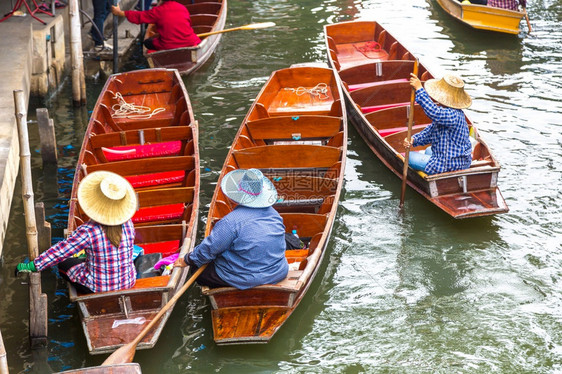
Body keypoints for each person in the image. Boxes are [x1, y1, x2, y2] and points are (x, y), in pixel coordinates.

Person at [15, 171, 138, 294]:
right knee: (83, 259)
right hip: (128, 282)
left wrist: (32, 266)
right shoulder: (128, 223)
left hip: (98, 288)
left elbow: (59, 252)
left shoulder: (89, 231)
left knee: (64, 262)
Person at [174, 169, 289, 290]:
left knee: (197, 268)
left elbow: (209, 249)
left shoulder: (231, 221)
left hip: (245, 279)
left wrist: (187, 260)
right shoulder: (275, 214)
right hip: (278, 272)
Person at [403, 73, 473, 175]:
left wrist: (419, 89)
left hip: (450, 164)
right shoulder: (449, 113)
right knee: (428, 150)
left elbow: (434, 112)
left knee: (408, 157)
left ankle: (435, 170)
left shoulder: (453, 115)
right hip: (459, 160)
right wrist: (413, 140)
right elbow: (430, 133)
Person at [110, 0, 201, 51]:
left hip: (169, 45)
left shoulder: (158, 11)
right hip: (189, 42)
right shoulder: (182, 8)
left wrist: (120, 13)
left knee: (147, 42)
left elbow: (140, 16)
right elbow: (189, 25)